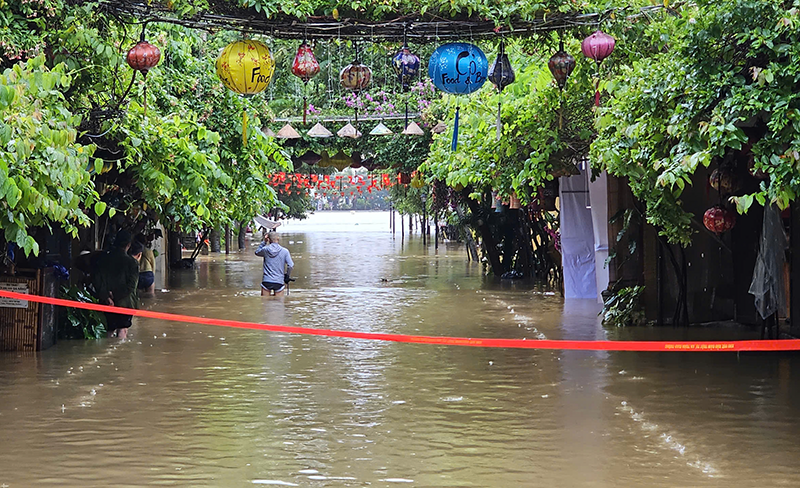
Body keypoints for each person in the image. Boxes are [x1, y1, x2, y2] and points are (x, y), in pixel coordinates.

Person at [92, 230, 140, 339]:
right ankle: (119, 355)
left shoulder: (103, 260)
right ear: (128, 245)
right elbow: (131, 286)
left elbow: (97, 280)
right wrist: (115, 295)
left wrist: (106, 296)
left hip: (106, 302)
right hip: (125, 303)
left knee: (109, 329)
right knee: (122, 330)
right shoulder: (132, 263)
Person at [255, 231, 294, 296]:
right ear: (278, 239)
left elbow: (257, 252)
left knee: (265, 303)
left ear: (268, 240)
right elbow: (291, 265)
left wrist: (264, 242)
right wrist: (287, 276)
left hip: (267, 281)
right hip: (279, 281)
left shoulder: (265, 250)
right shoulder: (285, 251)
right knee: (279, 304)